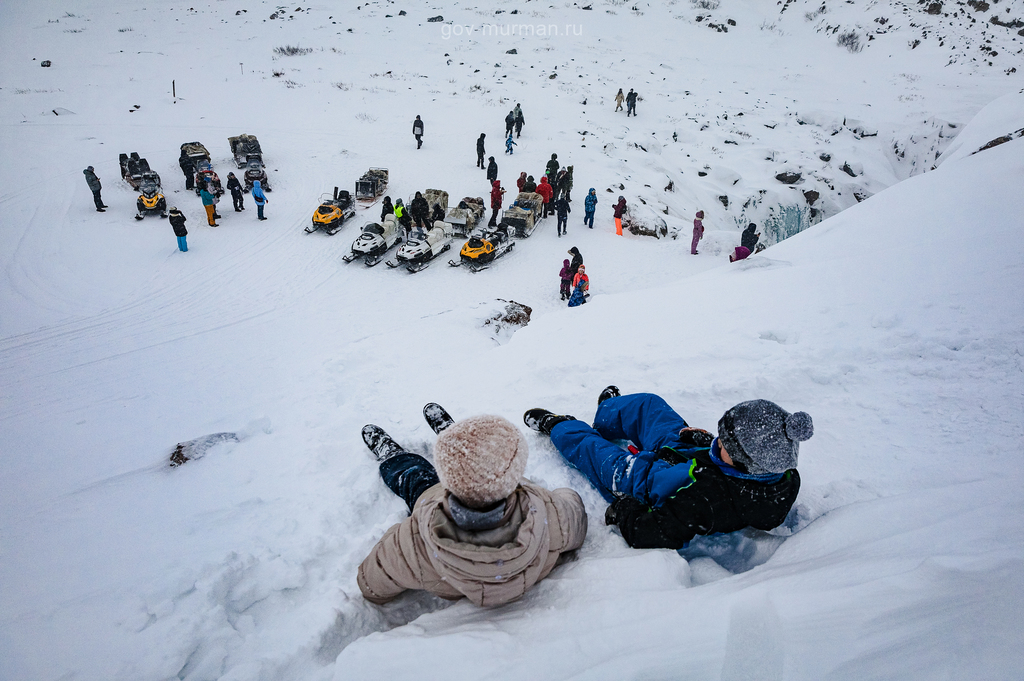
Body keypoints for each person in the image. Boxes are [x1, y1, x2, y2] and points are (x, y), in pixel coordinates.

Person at [357, 406, 588, 608]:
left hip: (432, 499)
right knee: (485, 459)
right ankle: (472, 450)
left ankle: (397, 457)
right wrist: (558, 496)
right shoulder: (548, 514)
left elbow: (371, 581)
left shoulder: (415, 540)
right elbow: (574, 511)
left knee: (415, 479)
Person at [523, 389, 811, 550]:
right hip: (688, 457)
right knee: (650, 406)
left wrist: (626, 509)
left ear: (742, 461)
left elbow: (651, 532)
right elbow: (731, 464)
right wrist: (707, 443)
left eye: (724, 442)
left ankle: (560, 425)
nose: (718, 439)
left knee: (594, 451)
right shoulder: (779, 473)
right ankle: (608, 413)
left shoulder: (706, 501)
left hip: (648, 483)